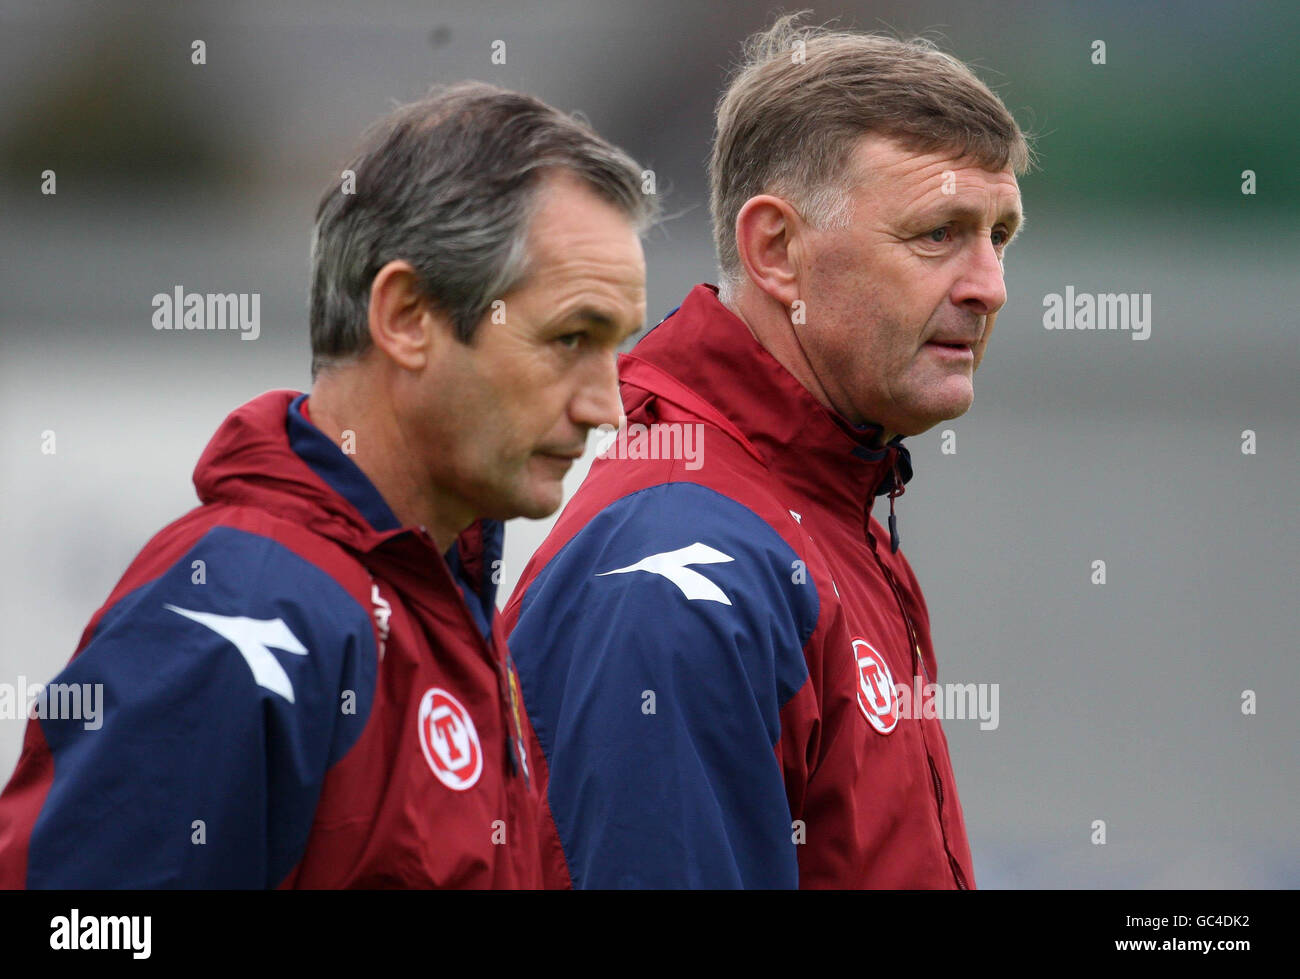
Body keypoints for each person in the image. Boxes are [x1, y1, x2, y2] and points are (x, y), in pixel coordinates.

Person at [0, 81, 652, 888]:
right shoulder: (238, 616)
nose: (609, 406)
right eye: (571, 338)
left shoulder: (444, 603)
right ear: (408, 316)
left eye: (619, 347)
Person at [503, 16, 1030, 888]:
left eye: (999, 236)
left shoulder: (826, 516)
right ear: (777, 251)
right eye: (938, 233)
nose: (989, 286)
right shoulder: (676, 566)